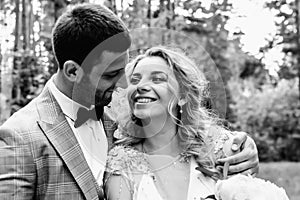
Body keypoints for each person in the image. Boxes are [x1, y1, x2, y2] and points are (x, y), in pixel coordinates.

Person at [0, 3, 257, 200]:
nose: (124, 85)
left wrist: (244, 148)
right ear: (72, 71)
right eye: (111, 75)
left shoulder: (121, 120)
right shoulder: (20, 137)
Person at [104, 46, 258, 200]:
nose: (140, 86)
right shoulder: (121, 164)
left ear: (183, 96)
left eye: (157, 79)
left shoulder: (221, 148)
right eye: (135, 80)